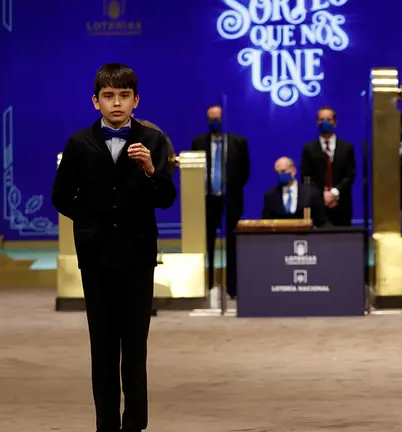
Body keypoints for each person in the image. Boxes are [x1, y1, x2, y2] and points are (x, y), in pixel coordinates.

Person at [51, 63, 177, 432]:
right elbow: (60, 196)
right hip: (97, 258)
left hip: (138, 256)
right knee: (103, 347)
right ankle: (105, 424)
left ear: (136, 100)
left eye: (124, 96)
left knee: (135, 348)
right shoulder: (79, 142)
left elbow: (167, 198)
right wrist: (90, 219)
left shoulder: (154, 140)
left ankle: (135, 424)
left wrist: (152, 170)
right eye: (109, 96)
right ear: (95, 101)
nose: (116, 103)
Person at [191, 105, 250, 298]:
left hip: (230, 200)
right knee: (206, 243)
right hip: (207, 201)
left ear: (224, 119)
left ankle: (233, 288)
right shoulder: (199, 141)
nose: (213, 122)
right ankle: (206, 286)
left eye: (217, 118)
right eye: (210, 118)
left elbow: (245, 172)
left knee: (232, 245)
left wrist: (231, 189)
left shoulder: (238, 142)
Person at [300, 106, 356, 226]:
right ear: (317, 123)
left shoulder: (346, 148)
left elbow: (350, 175)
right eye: (321, 119)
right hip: (318, 205)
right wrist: (322, 195)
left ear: (335, 122)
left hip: (342, 204)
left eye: (328, 119)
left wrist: (334, 192)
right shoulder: (309, 149)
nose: (325, 122)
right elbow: (306, 177)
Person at [261, 156, 329, 227]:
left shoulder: (311, 193)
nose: (280, 175)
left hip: (305, 236)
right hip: (280, 236)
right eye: (277, 172)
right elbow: (266, 223)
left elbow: (322, 221)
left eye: (283, 171)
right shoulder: (271, 196)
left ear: (293, 171)